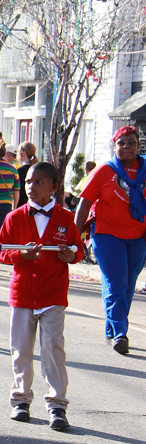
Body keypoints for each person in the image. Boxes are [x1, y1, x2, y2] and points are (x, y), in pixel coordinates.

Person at [0, 162, 83, 430]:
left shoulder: (66, 219)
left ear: (54, 187)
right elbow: (1, 251)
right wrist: (20, 255)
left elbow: (77, 250)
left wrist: (72, 256)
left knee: (53, 349)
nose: (31, 188)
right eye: (27, 183)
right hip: (22, 294)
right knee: (21, 350)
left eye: (38, 183)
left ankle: (57, 405)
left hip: (53, 294)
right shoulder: (14, 217)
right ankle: (21, 399)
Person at [75, 126, 146, 355]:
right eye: (122, 143)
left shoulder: (145, 169)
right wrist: (75, 237)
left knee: (127, 286)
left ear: (138, 145)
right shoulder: (104, 171)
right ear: (114, 146)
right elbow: (84, 203)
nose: (126, 147)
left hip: (138, 236)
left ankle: (111, 327)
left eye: (131, 143)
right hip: (108, 235)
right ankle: (120, 333)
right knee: (117, 284)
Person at [16, 142, 38, 207]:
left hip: (22, 206)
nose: (17, 153)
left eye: (18, 151)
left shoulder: (19, 171)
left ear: (24, 153)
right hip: (34, 205)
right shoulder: (37, 170)